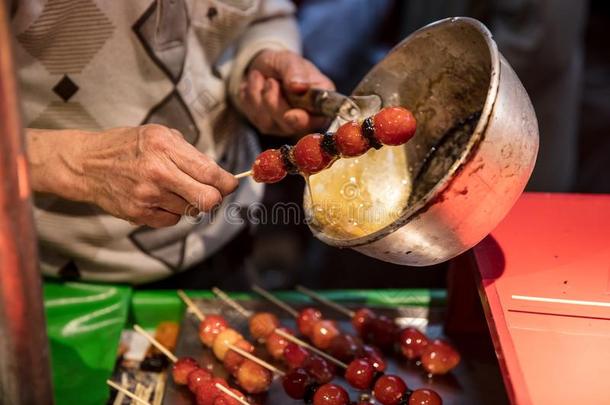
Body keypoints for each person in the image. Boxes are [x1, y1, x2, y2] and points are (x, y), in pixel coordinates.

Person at [10, 0, 333, 283]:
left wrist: (262, 59)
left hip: (222, 236)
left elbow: (264, 13)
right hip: (43, 267)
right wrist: (80, 164)